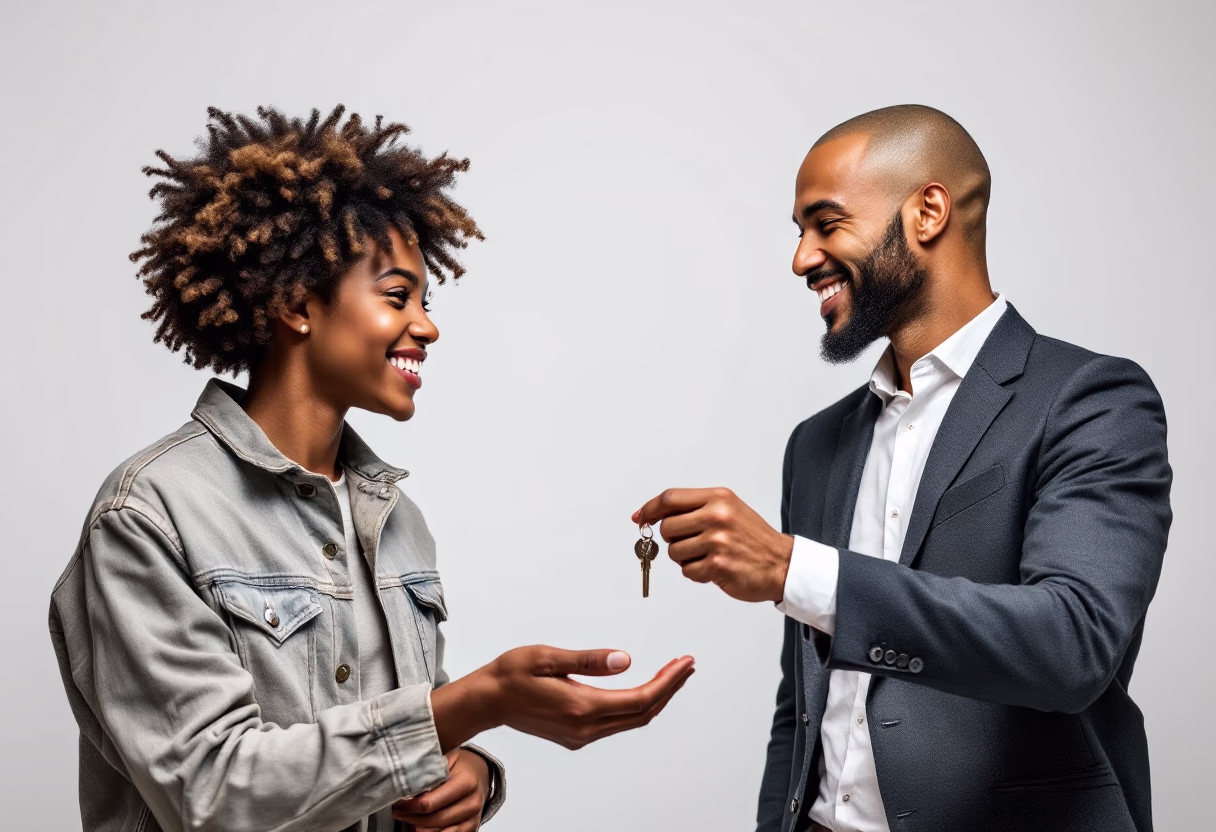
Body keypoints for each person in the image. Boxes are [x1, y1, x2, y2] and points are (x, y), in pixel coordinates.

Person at [48, 105, 695, 832]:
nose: (428, 324)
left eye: (426, 298)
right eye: (397, 297)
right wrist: (481, 702)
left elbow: (408, 732)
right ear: (297, 304)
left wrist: (474, 774)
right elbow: (213, 794)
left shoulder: (395, 520)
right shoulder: (149, 514)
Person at [634, 105, 1170, 832]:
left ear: (927, 212)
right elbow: (804, 707)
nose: (801, 258)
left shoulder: (1090, 400)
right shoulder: (815, 445)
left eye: (826, 223)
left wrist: (797, 571)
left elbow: (1072, 644)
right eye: (799, 233)